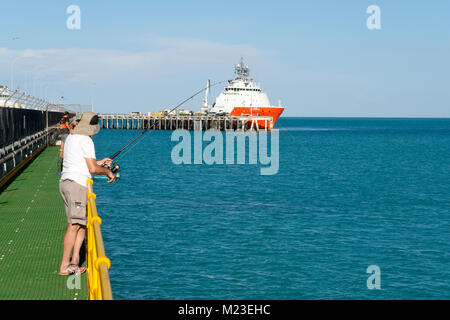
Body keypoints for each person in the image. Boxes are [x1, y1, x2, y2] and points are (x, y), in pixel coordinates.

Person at [58, 111, 115, 275]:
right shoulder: (86, 140)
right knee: (74, 225)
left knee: (82, 223)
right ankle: (64, 266)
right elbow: (92, 169)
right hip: (77, 185)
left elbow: (82, 163)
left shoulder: (71, 138)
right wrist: (107, 172)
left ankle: (75, 261)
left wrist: (100, 162)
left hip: (66, 182)